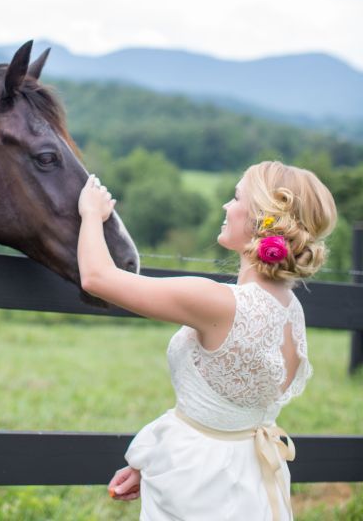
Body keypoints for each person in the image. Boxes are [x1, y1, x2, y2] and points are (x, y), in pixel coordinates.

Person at [77, 160, 337, 521]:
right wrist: (150, 462)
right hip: (251, 480)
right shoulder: (291, 311)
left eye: (235, 197)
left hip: (201, 482)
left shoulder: (218, 302)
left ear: (262, 219)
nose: (226, 207)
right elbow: (223, 413)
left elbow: (97, 278)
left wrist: (90, 213)